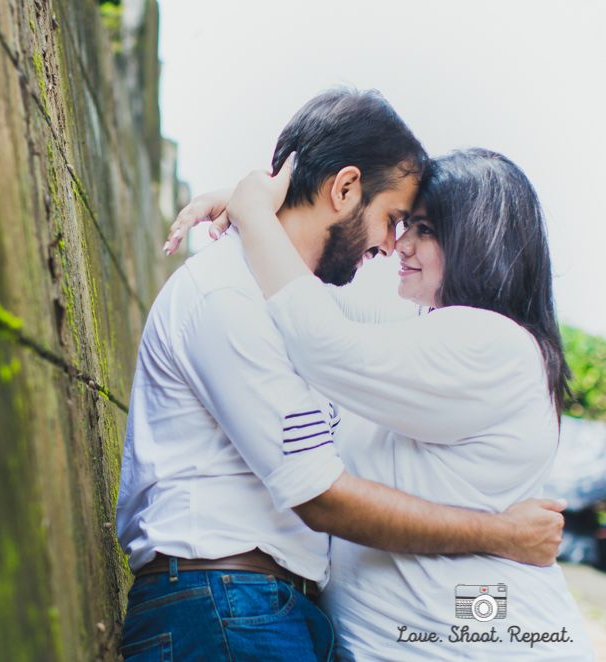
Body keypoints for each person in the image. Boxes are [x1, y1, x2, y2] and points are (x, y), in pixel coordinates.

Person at [115, 88, 567, 662]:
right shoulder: (229, 295)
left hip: (259, 609)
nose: (392, 244)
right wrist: (498, 533)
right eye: (396, 220)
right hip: (228, 600)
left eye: (419, 228)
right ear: (346, 188)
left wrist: (254, 210)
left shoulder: (477, 340)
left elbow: (330, 339)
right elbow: (317, 490)